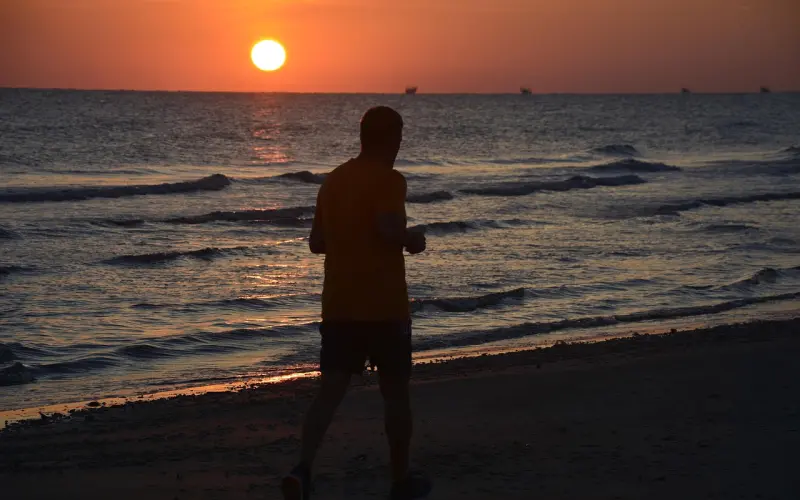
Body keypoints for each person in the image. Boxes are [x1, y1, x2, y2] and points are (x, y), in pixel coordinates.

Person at [281, 106, 431, 500]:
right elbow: (387, 228)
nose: (401, 144)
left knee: (330, 389)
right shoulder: (390, 179)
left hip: (339, 304)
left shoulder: (334, 180)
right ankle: (401, 480)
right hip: (383, 305)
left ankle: (303, 469)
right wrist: (410, 239)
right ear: (392, 138)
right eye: (399, 136)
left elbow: (317, 243)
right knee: (395, 392)